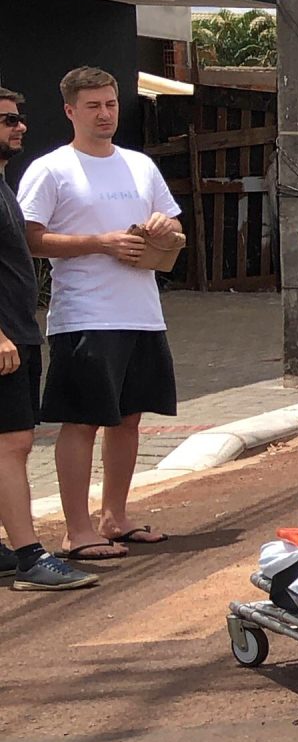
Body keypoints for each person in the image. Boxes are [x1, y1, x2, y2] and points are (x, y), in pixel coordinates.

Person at [17, 67, 182, 563]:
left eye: (110, 104)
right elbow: (30, 238)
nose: (105, 114)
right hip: (85, 315)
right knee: (82, 421)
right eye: (93, 106)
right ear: (70, 111)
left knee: (128, 419)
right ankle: (77, 529)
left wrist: (163, 225)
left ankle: (115, 516)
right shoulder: (51, 169)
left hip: (143, 312)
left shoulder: (139, 165)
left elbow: (173, 222)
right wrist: (99, 243)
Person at [0, 86, 96, 590]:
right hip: (5, 336)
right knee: (12, 443)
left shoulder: (3, 185)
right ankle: (30, 557)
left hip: (20, 331)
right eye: (7, 120)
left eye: (17, 118)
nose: (19, 127)